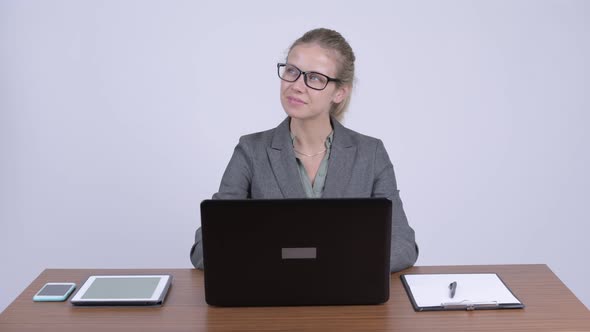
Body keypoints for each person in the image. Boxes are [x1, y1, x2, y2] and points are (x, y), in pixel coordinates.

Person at [190, 28, 418, 272]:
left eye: (315, 78)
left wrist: (333, 264)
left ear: (340, 92)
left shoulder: (370, 153)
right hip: (272, 297)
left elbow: (403, 245)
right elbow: (205, 248)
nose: (297, 86)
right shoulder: (251, 151)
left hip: (347, 298)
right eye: (291, 71)